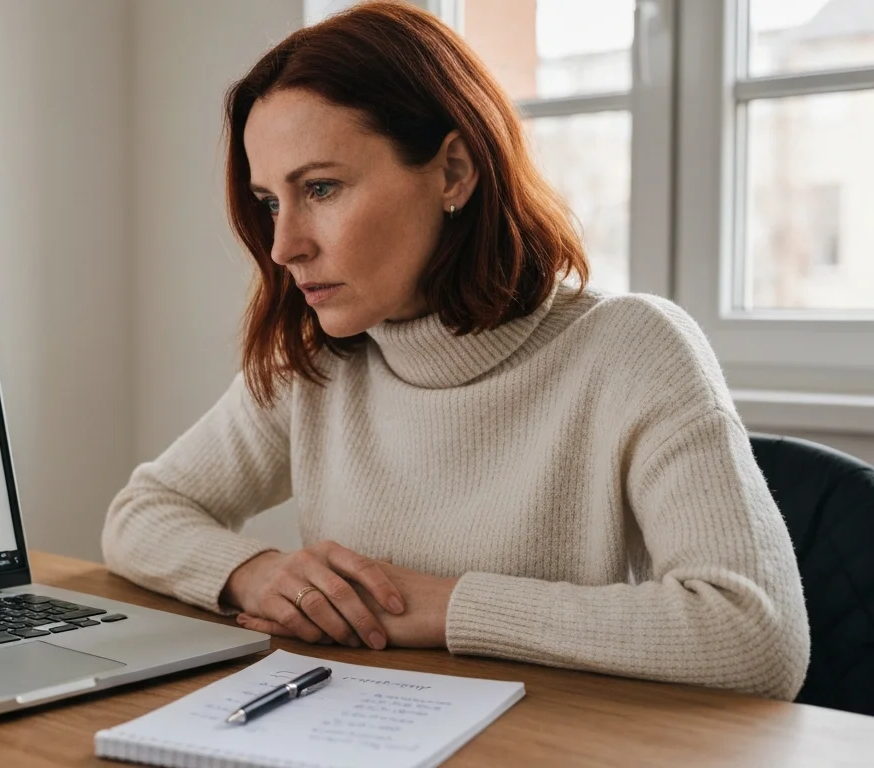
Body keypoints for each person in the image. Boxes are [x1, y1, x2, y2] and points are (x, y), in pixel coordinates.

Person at [101, 2, 808, 701]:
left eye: (321, 188)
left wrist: (447, 606)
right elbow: (142, 513)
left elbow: (754, 634)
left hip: (558, 744)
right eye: (270, 202)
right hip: (356, 732)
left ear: (454, 172)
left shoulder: (632, 349)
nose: (285, 246)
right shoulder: (314, 366)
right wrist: (255, 572)